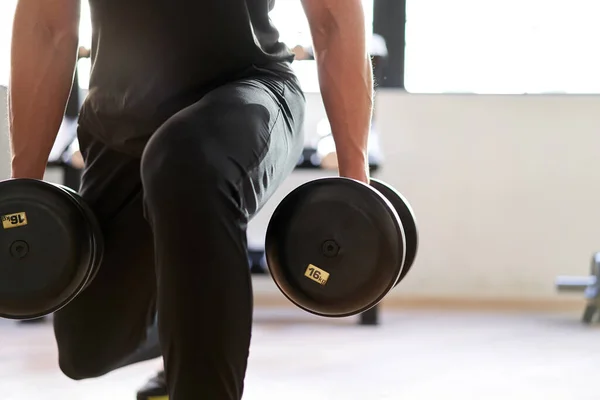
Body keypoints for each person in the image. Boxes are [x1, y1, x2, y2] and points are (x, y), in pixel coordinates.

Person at [8, 1, 374, 399]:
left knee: (186, 162)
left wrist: (356, 183)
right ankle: (194, 332)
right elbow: (47, 25)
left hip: (251, 93)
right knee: (86, 349)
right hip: (122, 122)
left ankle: (200, 366)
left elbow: (333, 20)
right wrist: (23, 198)